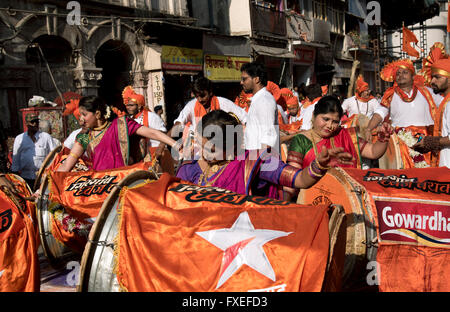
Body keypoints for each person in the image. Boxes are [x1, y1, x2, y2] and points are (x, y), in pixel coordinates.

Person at [176, 110, 354, 200]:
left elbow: (300, 180)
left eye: (212, 150)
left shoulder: (255, 162)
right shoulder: (188, 170)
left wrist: (318, 166)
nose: (204, 154)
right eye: (201, 145)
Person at [286, 96, 393, 201]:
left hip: (347, 200)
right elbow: (292, 179)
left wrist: (383, 139)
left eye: (335, 122)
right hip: (312, 201)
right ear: (314, 116)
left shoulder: (346, 136)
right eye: (326, 119)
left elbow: (373, 152)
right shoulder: (301, 141)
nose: (330, 125)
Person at [57, 96, 181, 172]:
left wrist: (175, 144)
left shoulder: (121, 125)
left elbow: (152, 132)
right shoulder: (84, 136)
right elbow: (67, 165)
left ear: (98, 114)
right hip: (100, 185)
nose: (81, 119)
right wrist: (46, 183)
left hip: (123, 181)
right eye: (80, 115)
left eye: (84, 115)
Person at [364, 58, 442, 168]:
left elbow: (445, 104)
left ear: (413, 76)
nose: (401, 75)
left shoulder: (427, 92)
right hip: (403, 141)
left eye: (405, 72)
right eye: (398, 73)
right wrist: (368, 128)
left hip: (426, 140)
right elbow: (379, 114)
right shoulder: (390, 95)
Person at [159, 77, 247, 160]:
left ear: (210, 92)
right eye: (197, 97)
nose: (200, 100)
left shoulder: (223, 103)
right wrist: (162, 145)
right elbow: (178, 125)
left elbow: (245, 119)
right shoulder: (191, 106)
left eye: (202, 95)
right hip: (198, 154)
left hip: (222, 153)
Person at [413, 49, 450, 168]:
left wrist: (430, 142)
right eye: (432, 77)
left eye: (437, 77)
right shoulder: (445, 101)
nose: (432, 81)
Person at [11, 112, 58, 188]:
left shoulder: (46, 137)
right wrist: (15, 177)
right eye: (32, 122)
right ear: (27, 124)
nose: (35, 124)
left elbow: (55, 156)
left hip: (43, 179)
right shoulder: (19, 139)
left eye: (37, 122)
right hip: (25, 178)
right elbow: (16, 160)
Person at [240, 62, 279, 150]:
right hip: (254, 156)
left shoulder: (264, 100)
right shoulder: (258, 99)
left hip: (261, 159)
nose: (241, 82)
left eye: (244, 79)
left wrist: (257, 161)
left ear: (256, 79)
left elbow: (268, 137)